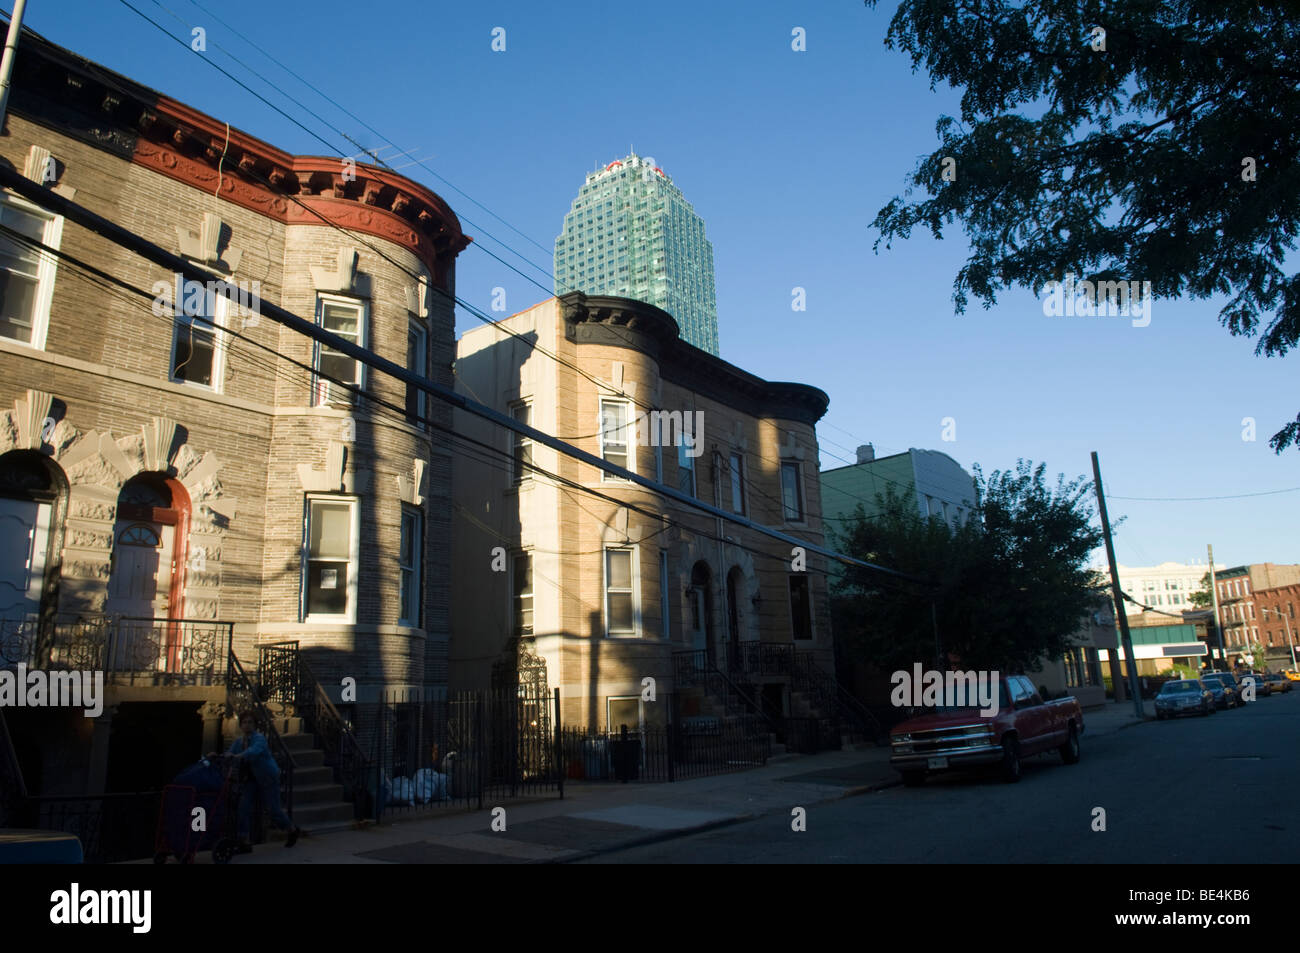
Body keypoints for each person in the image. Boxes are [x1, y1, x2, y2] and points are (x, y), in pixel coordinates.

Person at [220, 711, 301, 851]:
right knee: (243, 808)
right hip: (250, 779)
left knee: (273, 809)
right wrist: (220, 755)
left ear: (255, 725)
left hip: (267, 777)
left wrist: (239, 756)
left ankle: (292, 829)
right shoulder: (239, 741)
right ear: (240, 725)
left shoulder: (259, 739)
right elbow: (230, 752)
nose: (247, 725)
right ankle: (244, 841)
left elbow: (254, 751)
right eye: (244, 722)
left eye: (250, 722)